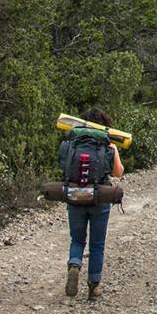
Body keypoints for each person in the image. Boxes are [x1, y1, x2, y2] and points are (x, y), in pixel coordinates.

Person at [59, 106, 124, 300]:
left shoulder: (71, 143)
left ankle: (74, 264)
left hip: (74, 195)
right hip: (99, 197)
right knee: (97, 244)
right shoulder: (109, 145)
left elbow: (62, 165)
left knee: (77, 239)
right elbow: (118, 172)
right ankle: (93, 287)